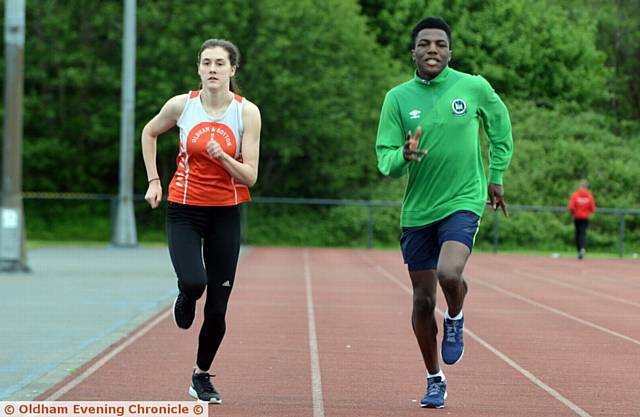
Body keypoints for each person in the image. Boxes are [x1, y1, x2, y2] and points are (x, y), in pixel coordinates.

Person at [375, 17, 513, 409]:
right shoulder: (397, 98)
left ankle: (455, 315)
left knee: (450, 272)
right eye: (424, 44)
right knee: (421, 300)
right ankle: (435, 377)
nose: (432, 49)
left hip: (464, 199)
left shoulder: (474, 87)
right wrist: (402, 156)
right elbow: (384, 157)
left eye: (439, 44)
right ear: (413, 52)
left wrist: (496, 175)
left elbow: (500, 128)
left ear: (450, 51)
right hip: (418, 210)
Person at [141, 39, 261, 403]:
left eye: (220, 63)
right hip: (184, 209)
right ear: (198, 69)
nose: (213, 69)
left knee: (219, 308)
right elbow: (149, 132)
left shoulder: (246, 113)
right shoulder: (182, 105)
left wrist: (224, 157)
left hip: (226, 212)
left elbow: (251, 176)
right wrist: (154, 181)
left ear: (232, 70)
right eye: (206, 62)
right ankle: (186, 294)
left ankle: (201, 376)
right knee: (194, 282)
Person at [568, 179, 596, 259]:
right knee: (583, 233)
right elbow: (593, 208)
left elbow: (571, 207)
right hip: (585, 218)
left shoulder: (575, 195)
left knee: (577, 234)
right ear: (587, 187)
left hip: (577, 217)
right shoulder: (589, 196)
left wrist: (574, 213)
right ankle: (582, 248)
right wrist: (587, 212)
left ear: (580, 186)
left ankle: (579, 250)